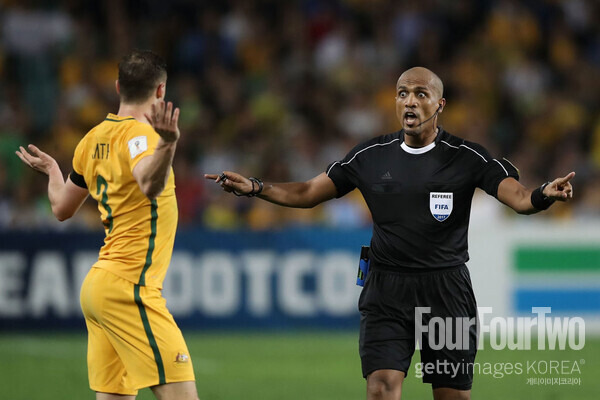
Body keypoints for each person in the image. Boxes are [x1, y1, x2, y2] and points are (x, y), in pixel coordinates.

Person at [205, 67, 574, 400]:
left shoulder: (467, 158)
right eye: (402, 93)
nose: (409, 101)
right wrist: (256, 187)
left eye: (420, 93)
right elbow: (307, 192)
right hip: (386, 290)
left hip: (446, 291)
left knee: (452, 397)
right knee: (381, 388)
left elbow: (520, 198)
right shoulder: (370, 156)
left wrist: (545, 194)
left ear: (439, 104)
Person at [16, 50, 199, 400]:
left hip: (99, 289)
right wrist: (169, 143)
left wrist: (54, 172)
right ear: (160, 92)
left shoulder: (92, 139)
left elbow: (60, 208)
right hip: (130, 289)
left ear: (118, 87)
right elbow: (149, 183)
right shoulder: (144, 138)